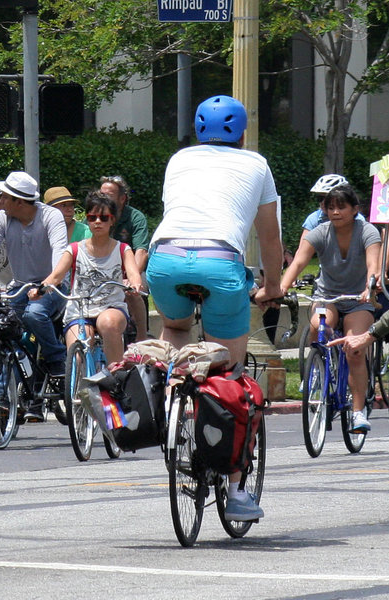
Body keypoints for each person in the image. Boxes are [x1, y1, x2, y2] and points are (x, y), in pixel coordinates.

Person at [146, 94, 283, 523]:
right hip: (221, 262)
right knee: (232, 376)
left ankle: (175, 406)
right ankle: (239, 490)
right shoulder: (256, 165)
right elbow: (269, 238)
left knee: (177, 326)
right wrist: (272, 286)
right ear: (242, 133)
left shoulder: (179, 159)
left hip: (164, 259)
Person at [281, 184, 379, 432]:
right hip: (327, 296)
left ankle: (357, 412)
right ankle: (318, 372)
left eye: (341, 207)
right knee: (317, 326)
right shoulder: (319, 232)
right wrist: (281, 287)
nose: (335, 212)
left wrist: (371, 285)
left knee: (355, 349)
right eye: (330, 207)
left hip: (359, 299)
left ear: (355, 209)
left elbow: (373, 264)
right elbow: (299, 262)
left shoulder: (367, 231)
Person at [0, 171, 69, 376]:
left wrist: (47, 285)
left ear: (19, 202)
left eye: (5, 197)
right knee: (3, 325)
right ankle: (12, 384)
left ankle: (55, 359)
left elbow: (60, 253)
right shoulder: (2, 218)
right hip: (20, 286)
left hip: (53, 286)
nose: (1, 201)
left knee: (34, 314)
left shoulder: (51, 216)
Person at [38, 191, 143, 365]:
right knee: (78, 348)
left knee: (108, 323)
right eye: (92, 217)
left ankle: (116, 379)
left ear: (112, 220)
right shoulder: (74, 249)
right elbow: (56, 276)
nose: (97, 222)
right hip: (79, 310)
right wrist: (40, 289)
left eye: (103, 217)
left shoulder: (123, 249)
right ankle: (79, 389)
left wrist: (135, 285)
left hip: (111, 307)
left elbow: (133, 274)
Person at [100, 175, 149, 340]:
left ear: (122, 199)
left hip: (132, 269)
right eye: (101, 194)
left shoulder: (136, 218)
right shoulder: (96, 217)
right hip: (105, 270)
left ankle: (141, 338)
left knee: (132, 291)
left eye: (109, 195)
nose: (103, 199)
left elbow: (141, 251)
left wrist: (131, 277)